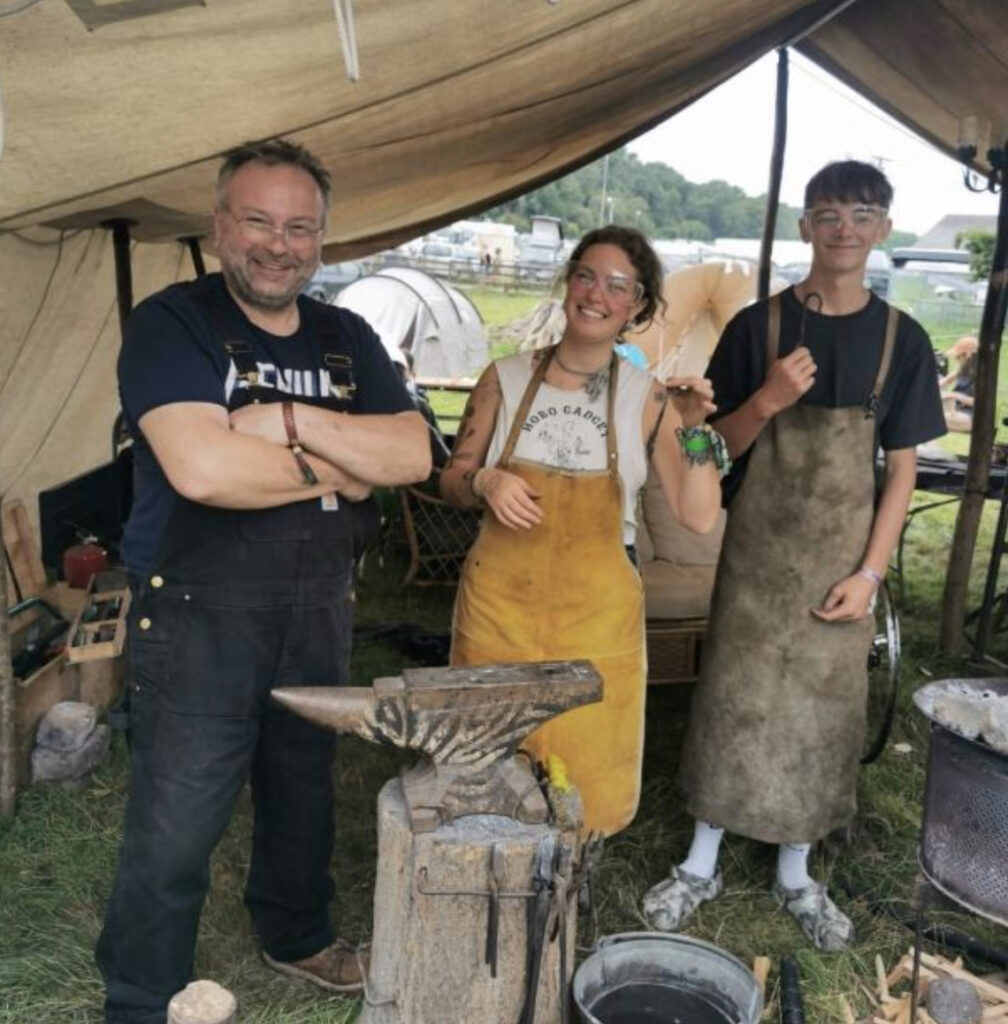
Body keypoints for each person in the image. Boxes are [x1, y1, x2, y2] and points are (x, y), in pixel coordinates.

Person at [96, 139, 430, 1023]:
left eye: (299, 227)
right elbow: (203, 470)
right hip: (199, 611)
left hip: (318, 604)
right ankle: (140, 992)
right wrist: (340, 464)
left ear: (320, 239)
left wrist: (284, 421)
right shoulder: (175, 325)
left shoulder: (345, 334)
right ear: (220, 227)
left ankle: (297, 932)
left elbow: (410, 452)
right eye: (258, 222)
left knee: (302, 787)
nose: (278, 244)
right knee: (175, 818)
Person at [642, 161, 946, 950]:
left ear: (883, 229)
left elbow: (902, 469)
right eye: (828, 213)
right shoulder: (758, 329)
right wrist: (766, 401)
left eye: (862, 214)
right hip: (754, 565)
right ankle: (699, 864)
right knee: (731, 701)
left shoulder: (901, 341)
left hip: (843, 569)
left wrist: (870, 575)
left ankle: (797, 875)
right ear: (806, 226)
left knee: (821, 716)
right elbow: (709, 448)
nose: (844, 228)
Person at [439, 225, 724, 836]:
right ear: (569, 282)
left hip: (596, 620)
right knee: (482, 774)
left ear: (638, 305)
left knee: (585, 789)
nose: (598, 294)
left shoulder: (649, 400)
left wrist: (695, 426)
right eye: (587, 275)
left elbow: (699, 513)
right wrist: (486, 481)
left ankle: (564, 895)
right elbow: (452, 479)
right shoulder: (505, 378)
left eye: (619, 285)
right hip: (498, 611)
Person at [939, 335, 978, 432]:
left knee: (934, 419)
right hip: (957, 409)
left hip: (973, 415)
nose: (956, 359)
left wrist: (955, 395)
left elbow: (980, 403)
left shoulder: (982, 375)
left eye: (958, 356)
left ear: (967, 356)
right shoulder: (963, 368)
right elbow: (945, 381)